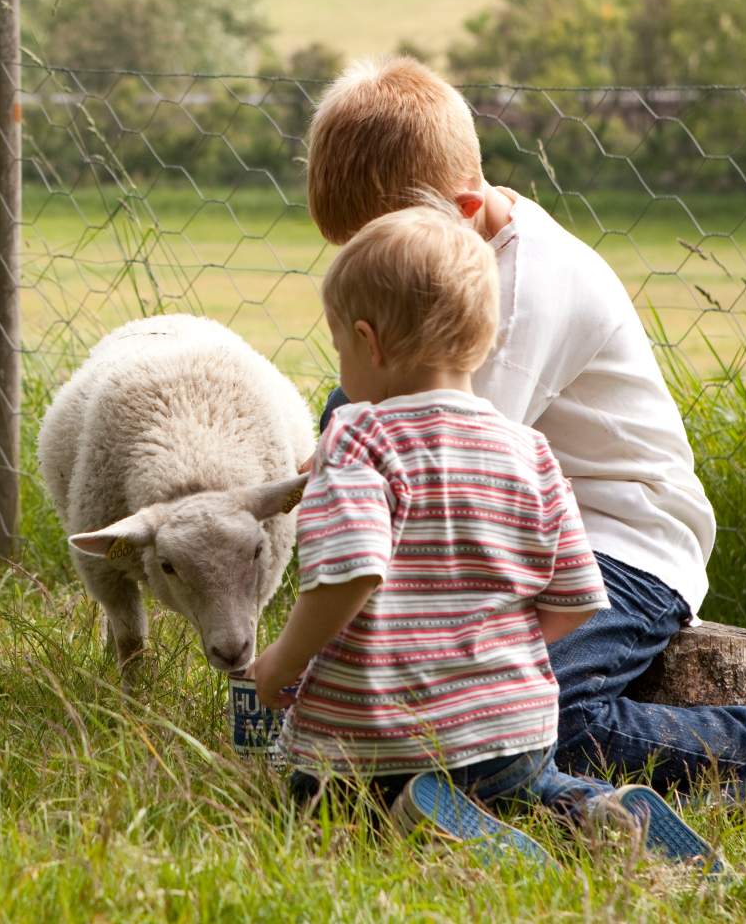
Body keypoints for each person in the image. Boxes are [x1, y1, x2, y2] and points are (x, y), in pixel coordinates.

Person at [296, 56, 746, 847]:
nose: (378, 272)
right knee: (467, 711)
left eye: (393, 243)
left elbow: (429, 465)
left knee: (541, 715)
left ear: (467, 208)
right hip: (523, 544)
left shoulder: (524, 290)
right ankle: (533, 811)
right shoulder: (444, 275)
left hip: (623, 549)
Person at [250, 209, 721, 870]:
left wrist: (282, 662)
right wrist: (492, 658)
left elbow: (349, 573)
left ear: (369, 342)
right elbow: (578, 598)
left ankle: (425, 816)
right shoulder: (530, 450)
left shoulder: (358, 437)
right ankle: (598, 810)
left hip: (377, 743)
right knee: (533, 787)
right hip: (515, 734)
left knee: (304, 797)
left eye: (340, 347)